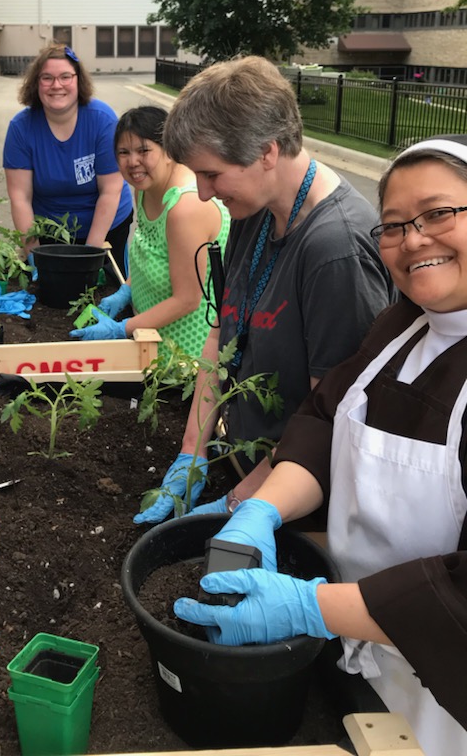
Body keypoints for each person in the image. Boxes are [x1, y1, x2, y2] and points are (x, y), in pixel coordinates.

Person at [174, 135, 467, 754]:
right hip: (357, 647)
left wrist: (311, 608)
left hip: (444, 693)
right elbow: (322, 420)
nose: (414, 240)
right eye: (393, 226)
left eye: (439, 214)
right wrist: (259, 509)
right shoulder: (402, 326)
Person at [135, 56, 394, 524]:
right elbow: (222, 334)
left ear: (267, 152)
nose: (202, 192)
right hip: (241, 462)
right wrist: (192, 454)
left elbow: (328, 420)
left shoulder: (336, 251)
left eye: (211, 174)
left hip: (292, 501)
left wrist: (244, 504)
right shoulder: (253, 210)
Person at [70, 105, 231, 354]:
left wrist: (121, 329)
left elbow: (187, 299)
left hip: (185, 353)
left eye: (144, 150)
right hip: (148, 335)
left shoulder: (185, 208)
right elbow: (152, 254)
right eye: (123, 152)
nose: (133, 162)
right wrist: (127, 290)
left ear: (169, 151)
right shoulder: (145, 189)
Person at [3, 43, 133, 277]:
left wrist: (88, 258)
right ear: (36, 83)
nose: (56, 85)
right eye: (47, 78)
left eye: (65, 77)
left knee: (105, 288)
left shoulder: (102, 120)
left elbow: (110, 191)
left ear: (78, 80)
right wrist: (34, 255)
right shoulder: (21, 128)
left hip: (106, 226)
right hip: (50, 232)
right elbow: (20, 197)